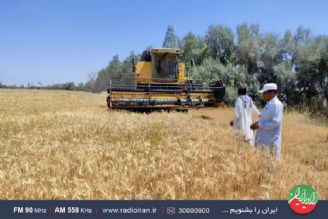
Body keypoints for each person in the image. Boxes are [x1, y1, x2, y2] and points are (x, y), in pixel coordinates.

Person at [250, 83, 283, 159]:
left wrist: (259, 125)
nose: (263, 95)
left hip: (271, 142)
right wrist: (258, 123)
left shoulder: (276, 105)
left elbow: (276, 122)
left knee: (271, 166)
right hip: (265, 141)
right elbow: (266, 119)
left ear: (272, 93)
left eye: (264, 93)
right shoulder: (269, 103)